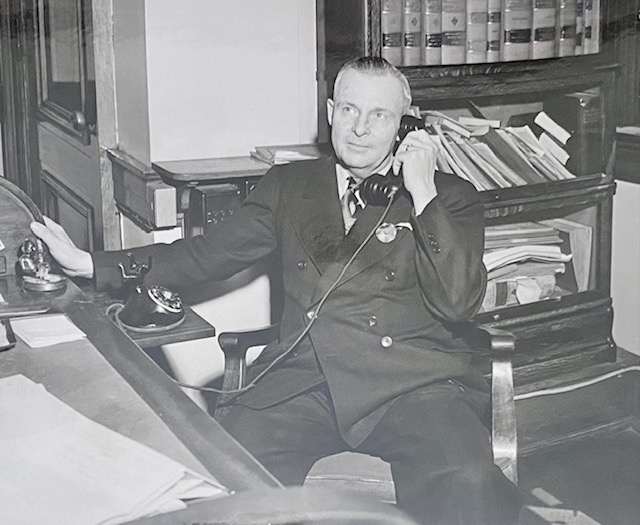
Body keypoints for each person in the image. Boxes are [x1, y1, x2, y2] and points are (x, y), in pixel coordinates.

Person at [32, 57, 523, 525]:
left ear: (405, 126)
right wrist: (93, 263)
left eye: (379, 115)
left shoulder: (449, 198)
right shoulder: (290, 185)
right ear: (330, 112)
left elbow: (459, 302)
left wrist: (422, 194)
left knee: (467, 477)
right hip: (301, 378)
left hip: (412, 385)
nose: (360, 128)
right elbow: (207, 255)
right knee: (225, 475)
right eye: (349, 109)